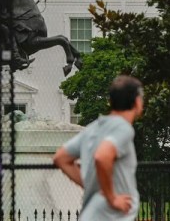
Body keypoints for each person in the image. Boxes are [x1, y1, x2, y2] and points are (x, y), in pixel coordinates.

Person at [53, 75, 144, 220]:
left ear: (111, 101)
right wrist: (112, 198)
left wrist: (92, 185)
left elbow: (61, 157)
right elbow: (102, 156)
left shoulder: (93, 128)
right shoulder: (123, 128)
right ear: (137, 101)